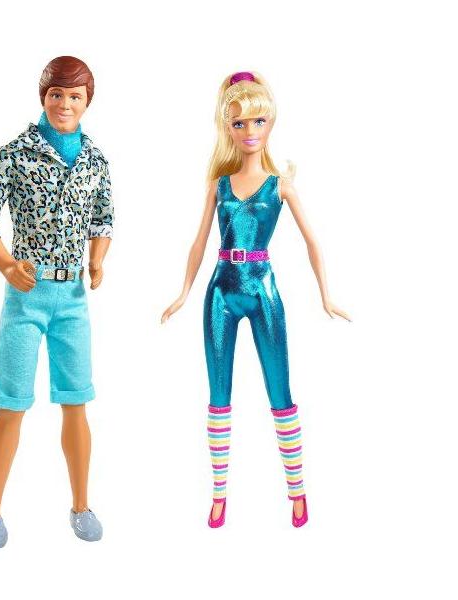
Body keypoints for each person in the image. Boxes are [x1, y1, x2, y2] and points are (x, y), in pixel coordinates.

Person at [161, 70, 350, 528]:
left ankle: (297, 490)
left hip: (262, 289)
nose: (250, 131)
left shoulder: (279, 185)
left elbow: (312, 241)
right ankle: (218, 494)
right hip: (221, 292)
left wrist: (326, 294)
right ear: (227, 127)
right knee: (218, 395)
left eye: (258, 121)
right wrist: (184, 291)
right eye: (239, 122)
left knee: (280, 392)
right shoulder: (219, 184)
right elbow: (199, 242)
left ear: (271, 122)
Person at [0, 56, 113, 546]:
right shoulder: (15, 153)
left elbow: (103, 218)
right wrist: (8, 265)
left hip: (72, 298)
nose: (65, 104)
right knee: (11, 403)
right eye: (56, 94)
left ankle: (81, 505)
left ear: (87, 102)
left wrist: (97, 259)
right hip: (26, 298)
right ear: (43, 97)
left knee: (76, 402)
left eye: (75, 96)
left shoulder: (95, 160)